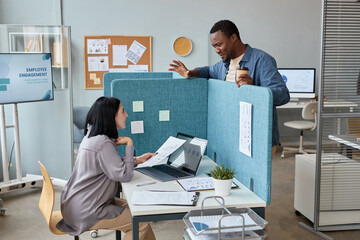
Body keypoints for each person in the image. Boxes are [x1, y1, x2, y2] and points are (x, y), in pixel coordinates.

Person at [169, 20, 290, 156]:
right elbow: (208, 71)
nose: (216, 50)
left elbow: (283, 94)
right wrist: (190, 73)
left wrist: (254, 89)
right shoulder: (225, 64)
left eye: (219, 44)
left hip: (256, 138)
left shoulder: (261, 59)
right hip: (232, 135)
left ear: (233, 38)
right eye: (214, 46)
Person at [56, 96, 156, 240]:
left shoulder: (92, 136)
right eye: (123, 111)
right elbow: (125, 175)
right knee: (140, 223)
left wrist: (136, 160)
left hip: (77, 205)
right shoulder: (103, 143)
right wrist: (129, 143)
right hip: (88, 210)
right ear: (111, 116)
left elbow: (108, 165)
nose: (126, 115)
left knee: (140, 213)